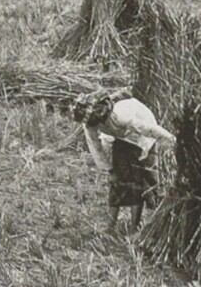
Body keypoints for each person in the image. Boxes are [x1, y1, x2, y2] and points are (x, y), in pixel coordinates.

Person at [72, 88, 176, 233]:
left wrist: (172, 140)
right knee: (118, 181)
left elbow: (149, 129)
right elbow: (96, 146)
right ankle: (111, 225)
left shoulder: (121, 115)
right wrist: (111, 170)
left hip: (141, 134)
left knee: (144, 178)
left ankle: (139, 224)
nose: (94, 127)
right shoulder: (89, 122)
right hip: (118, 137)